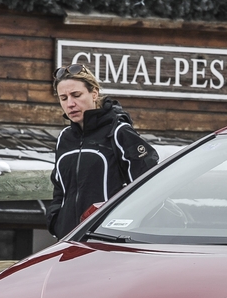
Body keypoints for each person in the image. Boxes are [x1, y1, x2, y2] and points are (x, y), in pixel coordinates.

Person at [47, 63, 159, 238]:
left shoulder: (118, 132)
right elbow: (60, 188)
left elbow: (149, 187)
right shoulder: (65, 138)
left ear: (94, 93)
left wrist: (121, 227)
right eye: (63, 98)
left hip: (106, 238)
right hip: (70, 238)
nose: (70, 104)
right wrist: (56, 222)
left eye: (76, 95)